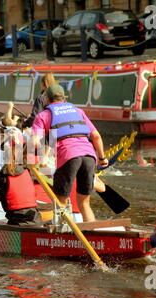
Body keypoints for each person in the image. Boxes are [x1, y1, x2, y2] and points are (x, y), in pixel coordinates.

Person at [31, 84, 108, 223]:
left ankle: (61, 237)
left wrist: (22, 152)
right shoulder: (78, 111)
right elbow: (96, 136)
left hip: (69, 157)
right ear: (64, 98)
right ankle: (92, 234)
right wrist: (102, 158)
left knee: (61, 203)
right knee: (84, 204)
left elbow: (34, 142)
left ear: (46, 99)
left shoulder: (43, 115)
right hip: (89, 156)